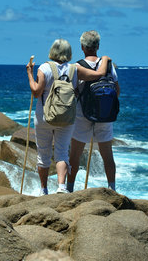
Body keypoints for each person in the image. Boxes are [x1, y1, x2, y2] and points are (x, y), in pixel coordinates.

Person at [26, 39, 110, 196]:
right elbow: (99, 74)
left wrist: (30, 74)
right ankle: (61, 186)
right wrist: (104, 59)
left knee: (43, 153)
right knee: (62, 152)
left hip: (44, 117)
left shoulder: (44, 68)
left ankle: (43, 190)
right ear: (69, 53)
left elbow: (36, 92)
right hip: (66, 117)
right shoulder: (74, 70)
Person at [67, 30, 120, 192]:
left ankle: (69, 189)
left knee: (75, 155)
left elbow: (73, 91)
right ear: (98, 46)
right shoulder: (109, 66)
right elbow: (117, 91)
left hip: (83, 114)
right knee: (107, 155)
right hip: (104, 115)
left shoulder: (77, 67)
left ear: (82, 47)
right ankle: (112, 189)